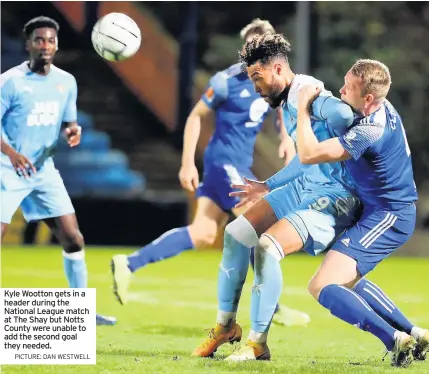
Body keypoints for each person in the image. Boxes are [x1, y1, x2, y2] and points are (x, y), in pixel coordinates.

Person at [110, 19, 309, 327]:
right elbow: (195, 117)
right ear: (245, 49)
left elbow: (280, 107)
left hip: (237, 166)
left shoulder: (269, 81)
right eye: (256, 46)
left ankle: (129, 263)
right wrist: (188, 162)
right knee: (259, 228)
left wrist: (285, 136)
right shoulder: (226, 81)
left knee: (202, 233)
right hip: (223, 164)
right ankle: (272, 308)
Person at [192, 33, 361, 360]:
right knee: (237, 234)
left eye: (257, 77)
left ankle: (257, 343)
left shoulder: (307, 93)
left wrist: (353, 141)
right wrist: (268, 185)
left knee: (267, 248)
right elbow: (305, 155)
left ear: (279, 69)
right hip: (305, 186)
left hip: (333, 195)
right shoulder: (288, 99)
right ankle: (226, 325)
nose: (255, 86)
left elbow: (342, 116)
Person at [291, 59, 428, 367]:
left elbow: (308, 154)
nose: (341, 90)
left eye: (348, 87)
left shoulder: (369, 131)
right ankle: (415, 333)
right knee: (348, 281)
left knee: (322, 286)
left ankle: (394, 339)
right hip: (382, 211)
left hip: (389, 216)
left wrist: (302, 108)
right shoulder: (379, 105)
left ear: (367, 98)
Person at [1, 16, 115, 326]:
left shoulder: (66, 82)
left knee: (73, 238)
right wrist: (11, 153)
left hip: (44, 171)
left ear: (56, 44)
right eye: (39, 40)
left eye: (50, 40)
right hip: (7, 169)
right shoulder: (10, 81)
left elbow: (69, 123)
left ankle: (82, 311)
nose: (45, 46)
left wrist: (73, 132)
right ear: (28, 45)